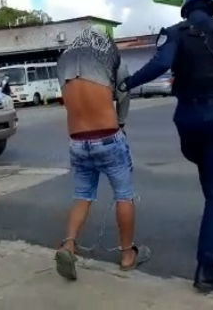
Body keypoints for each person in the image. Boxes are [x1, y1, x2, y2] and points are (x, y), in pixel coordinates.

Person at [119, 0, 213, 293]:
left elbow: (159, 65)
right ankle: (207, 269)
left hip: (186, 119)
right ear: (212, 7)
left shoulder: (174, 33)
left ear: (185, 10)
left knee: (210, 178)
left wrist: (127, 84)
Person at [54, 27, 151, 281]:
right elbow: (124, 91)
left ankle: (68, 245)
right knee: (124, 196)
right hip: (108, 136)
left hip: (77, 141)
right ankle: (128, 255)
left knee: (82, 196)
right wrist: (120, 123)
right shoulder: (108, 54)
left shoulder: (63, 60)